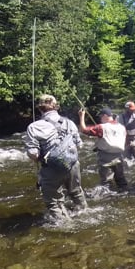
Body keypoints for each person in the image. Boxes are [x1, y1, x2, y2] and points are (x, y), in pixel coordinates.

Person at [24, 94, 88, 223]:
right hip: (73, 164)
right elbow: (79, 145)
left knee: (53, 201)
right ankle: (85, 214)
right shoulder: (70, 122)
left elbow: (34, 154)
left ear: (40, 108)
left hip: (52, 167)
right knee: (76, 192)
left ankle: (66, 227)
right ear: (56, 107)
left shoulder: (34, 126)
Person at [78, 107, 128, 190]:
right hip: (119, 156)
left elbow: (84, 130)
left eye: (101, 117)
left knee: (106, 184)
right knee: (121, 181)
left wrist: (81, 116)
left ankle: (108, 198)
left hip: (105, 157)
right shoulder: (122, 127)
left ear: (105, 116)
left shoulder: (101, 127)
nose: (100, 119)